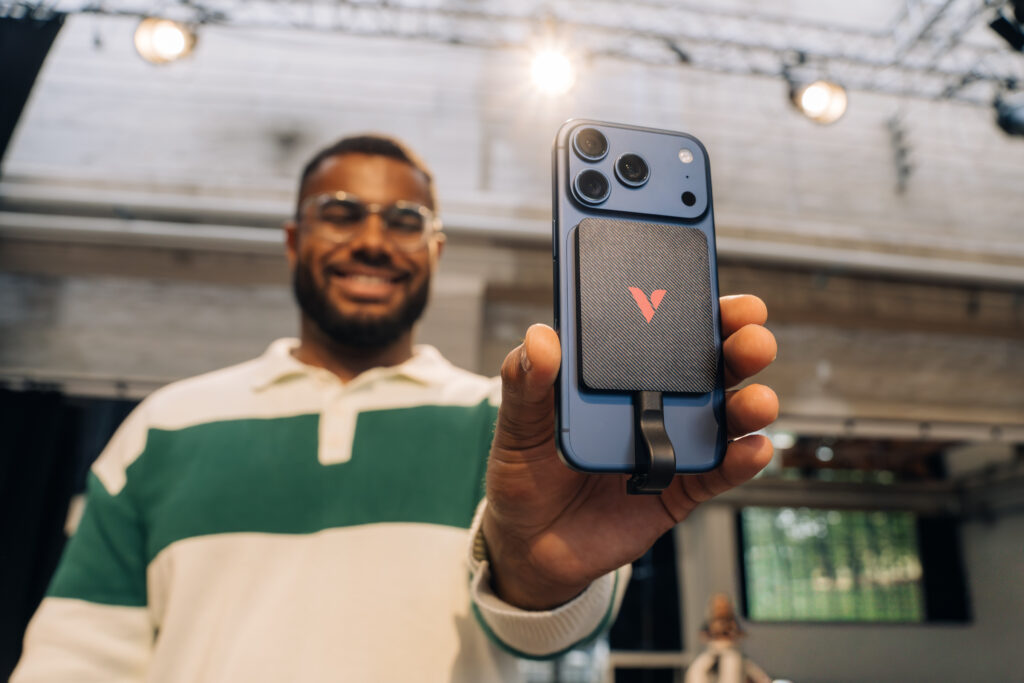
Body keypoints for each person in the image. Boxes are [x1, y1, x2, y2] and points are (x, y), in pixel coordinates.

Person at [12, 134, 778, 682]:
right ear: (294, 239)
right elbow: (79, 653)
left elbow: (557, 650)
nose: (374, 240)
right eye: (341, 213)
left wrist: (539, 581)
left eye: (406, 220)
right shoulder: (166, 424)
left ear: (435, 251)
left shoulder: (518, 423)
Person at [684, 594, 772, 683]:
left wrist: (732, 634)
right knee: (696, 671)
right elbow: (702, 634)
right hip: (713, 653)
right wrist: (714, 633)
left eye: (724, 606)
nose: (721, 609)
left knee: (735, 668)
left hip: (732, 652)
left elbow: (742, 634)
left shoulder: (733, 622)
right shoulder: (710, 623)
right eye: (718, 607)